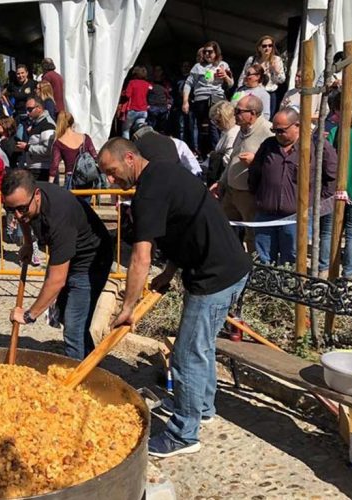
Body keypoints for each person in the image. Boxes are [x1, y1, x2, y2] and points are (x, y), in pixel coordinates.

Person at [100, 138, 251, 458]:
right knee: (201, 346)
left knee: (186, 356)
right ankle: (202, 407)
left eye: (112, 172)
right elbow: (184, 228)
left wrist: (128, 307)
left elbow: (141, 257)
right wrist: (169, 273)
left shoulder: (149, 193)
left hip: (215, 277)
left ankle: (184, 432)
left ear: (130, 158)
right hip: (229, 267)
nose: (110, 180)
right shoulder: (165, 173)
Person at [2, 169, 113, 360]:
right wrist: (28, 243)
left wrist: (29, 315)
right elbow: (23, 218)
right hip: (68, 254)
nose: (18, 216)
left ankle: (76, 381)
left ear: (36, 195)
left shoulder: (58, 215)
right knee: (65, 317)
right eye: (11, 210)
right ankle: (91, 364)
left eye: (21, 209)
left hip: (90, 262)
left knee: (74, 328)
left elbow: (56, 281)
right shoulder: (27, 201)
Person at [248, 107, 337, 266]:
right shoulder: (269, 145)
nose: (277, 134)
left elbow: (332, 177)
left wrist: (318, 205)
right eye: (274, 130)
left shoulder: (316, 147)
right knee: (264, 261)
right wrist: (259, 196)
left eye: (281, 130)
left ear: (297, 126)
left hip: (297, 219)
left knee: (293, 260)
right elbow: (255, 172)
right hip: (266, 215)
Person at [211, 95, 273, 252]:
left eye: (238, 111)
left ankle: (254, 268)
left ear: (252, 113)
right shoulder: (240, 130)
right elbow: (232, 159)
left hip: (249, 194)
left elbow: (275, 165)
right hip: (231, 190)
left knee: (251, 234)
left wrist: (255, 161)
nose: (234, 114)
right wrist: (221, 182)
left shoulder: (268, 132)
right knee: (223, 228)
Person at [327, 93, 352, 279]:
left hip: (336, 190)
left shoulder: (337, 131)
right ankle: (349, 272)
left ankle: (323, 267)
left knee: (329, 232)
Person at [182, 41, 234, 158]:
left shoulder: (223, 65)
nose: (207, 54)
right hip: (200, 98)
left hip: (217, 98)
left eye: (210, 52)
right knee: (202, 127)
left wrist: (225, 76)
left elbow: (231, 84)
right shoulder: (197, 67)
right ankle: (204, 153)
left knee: (215, 124)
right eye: (205, 52)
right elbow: (188, 83)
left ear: (216, 52)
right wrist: (185, 101)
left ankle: (217, 152)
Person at [237, 35, 286, 115]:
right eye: (264, 46)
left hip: (269, 93)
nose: (267, 48)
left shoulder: (276, 59)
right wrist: (239, 91)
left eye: (270, 45)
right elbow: (243, 76)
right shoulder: (252, 60)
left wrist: (276, 70)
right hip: (252, 92)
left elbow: (282, 80)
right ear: (259, 47)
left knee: (266, 118)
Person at [51, 110, 98, 190]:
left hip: (71, 178)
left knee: (70, 202)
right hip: (87, 178)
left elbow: (55, 164)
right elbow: (95, 157)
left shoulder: (58, 142)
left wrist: (50, 183)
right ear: (72, 122)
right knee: (85, 202)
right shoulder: (85, 138)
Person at [17, 96, 56, 182]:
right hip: (35, 168)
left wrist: (27, 147)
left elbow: (48, 149)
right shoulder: (36, 123)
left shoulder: (47, 125)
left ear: (39, 108)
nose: (27, 113)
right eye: (27, 109)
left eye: (30, 109)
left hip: (43, 171)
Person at [206, 101, 240, 187]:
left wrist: (215, 156)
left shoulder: (232, 134)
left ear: (225, 118)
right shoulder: (226, 132)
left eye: (218, 121)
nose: (216, 124)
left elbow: (228, 160)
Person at [122, 66, 152, 140]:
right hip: (143, 111)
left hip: (132, 110)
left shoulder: (132, 82)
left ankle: (127, 147)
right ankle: (141, 145)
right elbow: (151, 91)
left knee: (126, 130)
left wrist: (122, 93)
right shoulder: (147, 84)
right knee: (140, 130)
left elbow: (127, 95)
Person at [11, 64, 37, 136]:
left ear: (27, 73)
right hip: (17, 116)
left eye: (22, 73)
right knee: (18, 136)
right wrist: (9, 105)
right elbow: (3, 94)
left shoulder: (33, 84)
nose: (20, 75)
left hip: (29, 116)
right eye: (18, 74)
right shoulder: (13, 85)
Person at [147, 66, 173, 133]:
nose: (157, 72)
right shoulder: (150, 83)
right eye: (156, 70)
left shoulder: (166, 83)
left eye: (159, 70)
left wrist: (169, 104)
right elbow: (145, 94)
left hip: (163, 108)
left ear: (162, 72)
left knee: (163, 129)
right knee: (152, 129)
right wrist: (147, 105)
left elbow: (170, 95)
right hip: (152, 108)